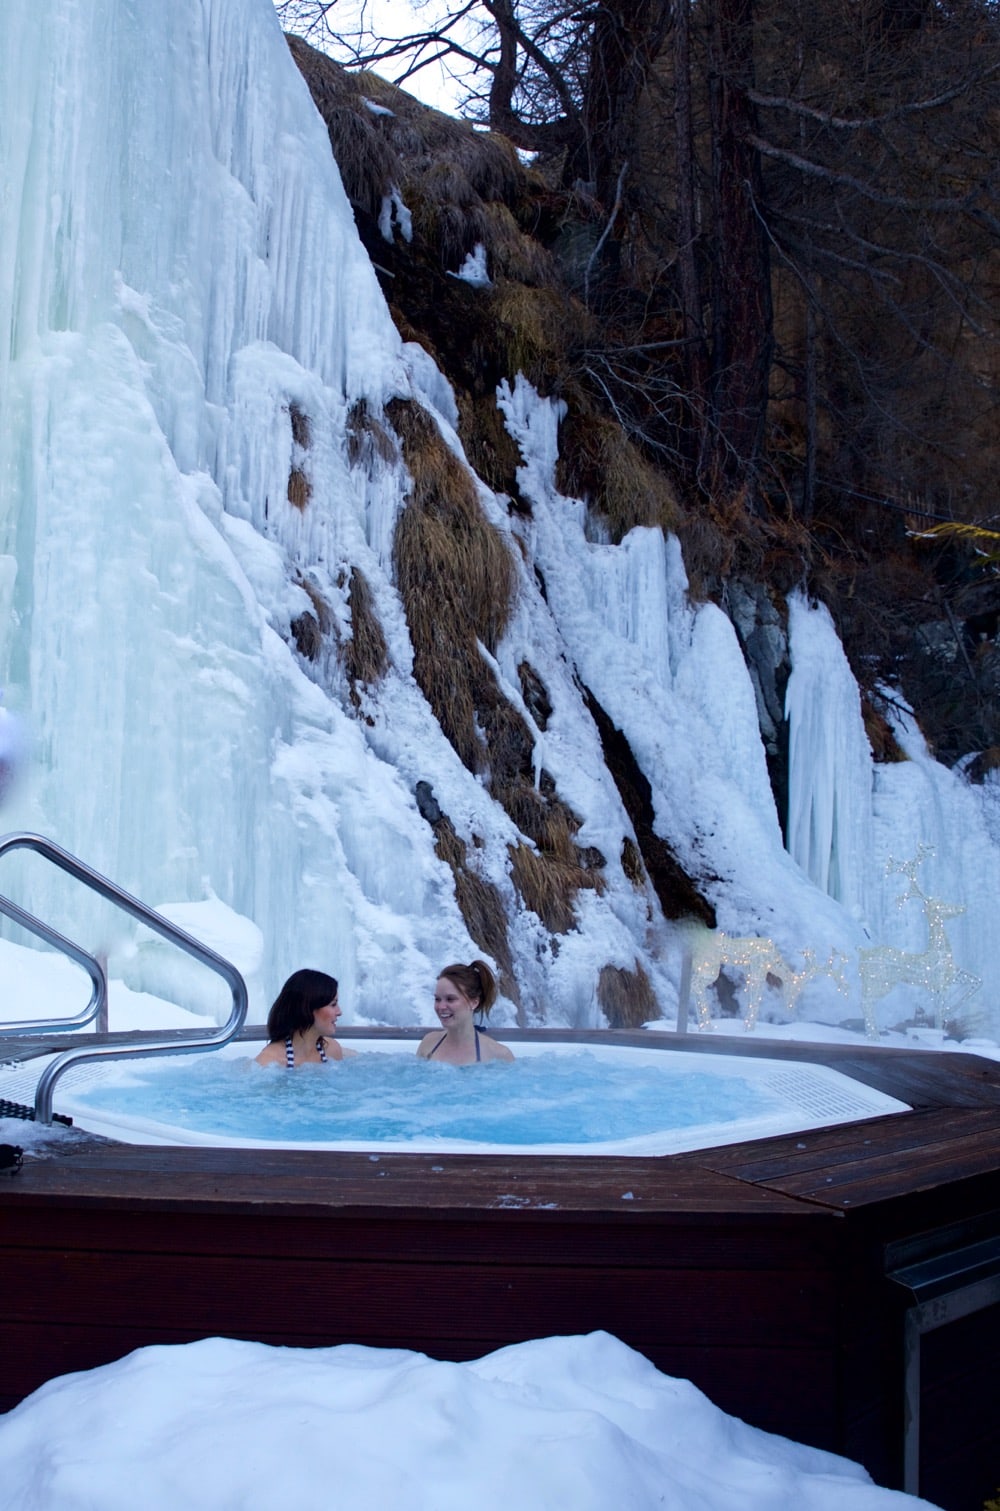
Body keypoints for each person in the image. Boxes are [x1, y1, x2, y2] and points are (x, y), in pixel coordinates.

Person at [416, 959, 514, 1065]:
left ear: (474, 1003)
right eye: (437, 999)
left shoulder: (499, 1055)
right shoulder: (428, 1043)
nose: (441, 1006)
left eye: (450, 999)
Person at [255, 969, 355, 1066]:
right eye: (333, 1004)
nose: (339, 1012)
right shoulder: (269, 1062)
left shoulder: (332, 1051)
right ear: (307, 1009)